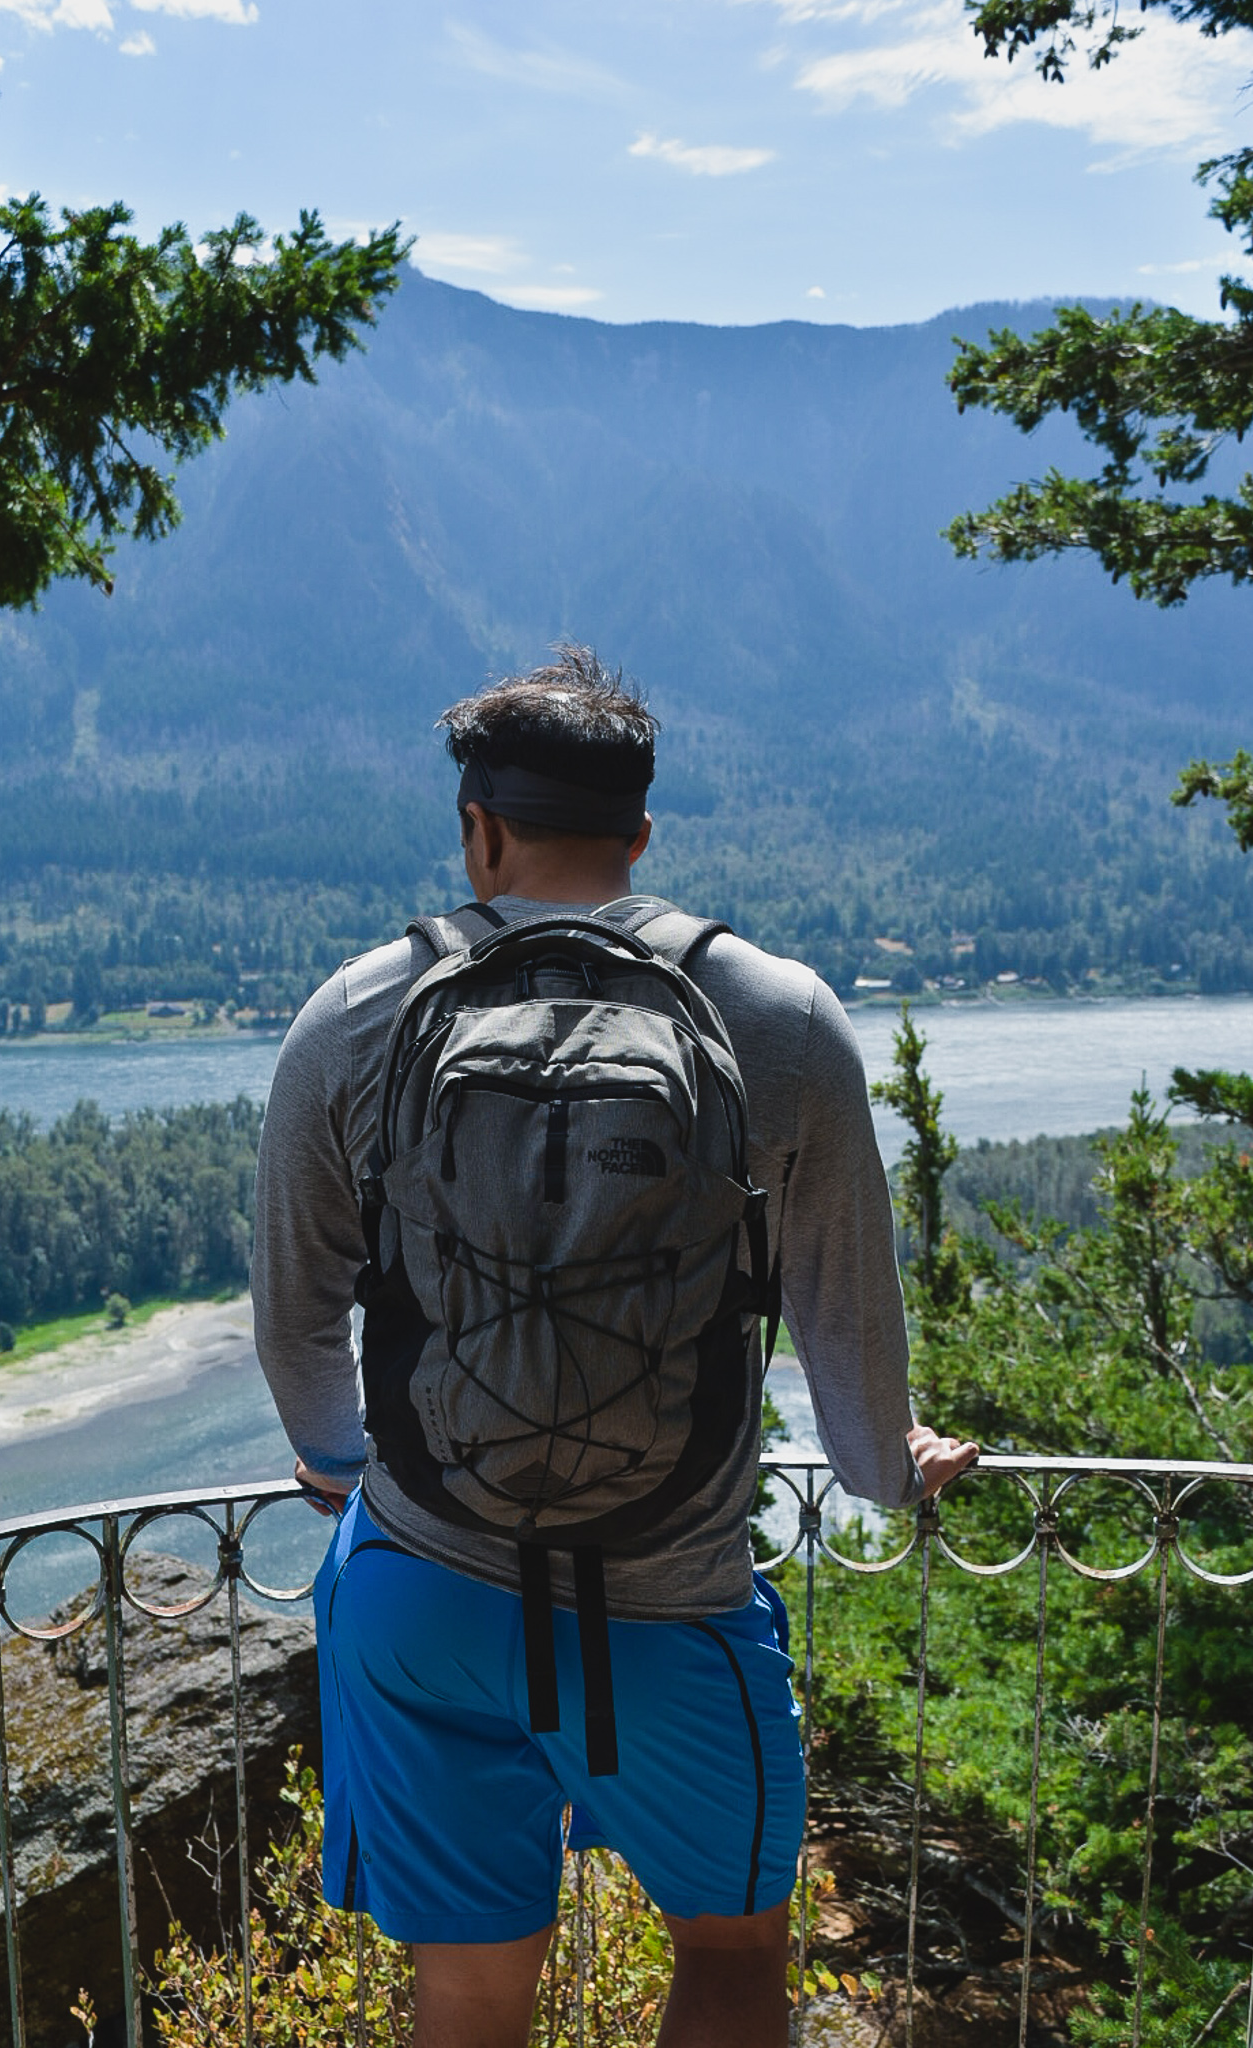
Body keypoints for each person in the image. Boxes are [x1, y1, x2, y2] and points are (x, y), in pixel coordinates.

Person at [252, 646, 978, 2048]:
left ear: (477, 827)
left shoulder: (353, 1015)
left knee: (464, 1988)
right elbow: (846, 1339)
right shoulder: (782, 1017)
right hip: (670, 1604)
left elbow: (295, 1326)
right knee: (729, 1948)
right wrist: (894, 1476)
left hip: (422, 1595)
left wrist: (353, 1470)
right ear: (641, 835)